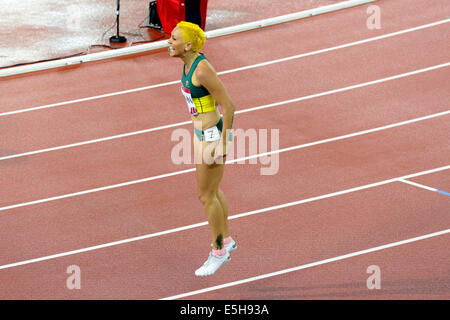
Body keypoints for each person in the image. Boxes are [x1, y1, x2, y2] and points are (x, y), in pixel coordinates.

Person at [168, 21, 237, 276]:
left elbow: (229, 106)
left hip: (212, 137)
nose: (169, 42)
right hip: (201, 134)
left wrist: (223, 143)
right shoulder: (188, 64)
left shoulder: (202, 69)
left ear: (187, 45)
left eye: (174, 39)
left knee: (206, 195)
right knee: (212, 191)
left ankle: (218, 252)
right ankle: (226, 241)